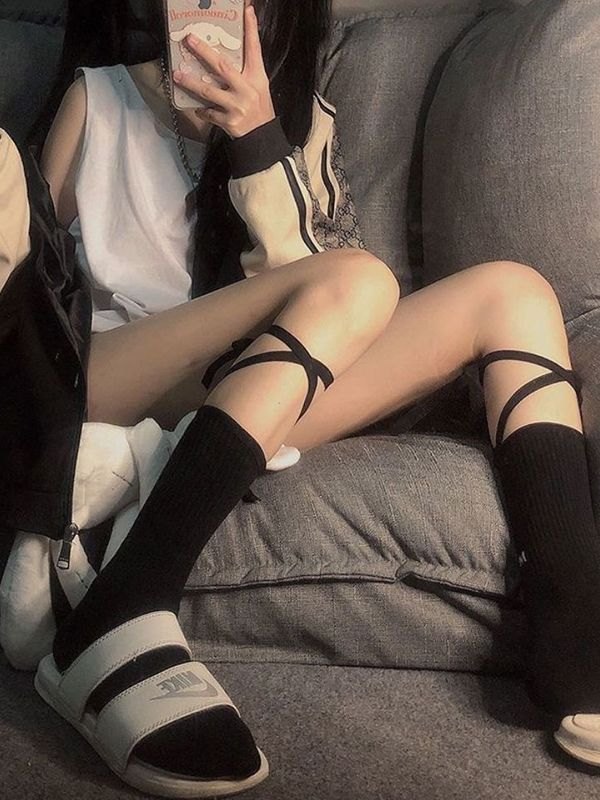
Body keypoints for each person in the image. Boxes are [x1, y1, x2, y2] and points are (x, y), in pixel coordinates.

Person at [2, 0, 600, 796]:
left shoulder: (298, 121)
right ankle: (130, 595)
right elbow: (37, 295)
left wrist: (256, 139)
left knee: (514, 291)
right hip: (111, 366)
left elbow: (319, 303)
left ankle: (577, 630)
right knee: (362, 277)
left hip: (250, 382)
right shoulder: (99, 93)